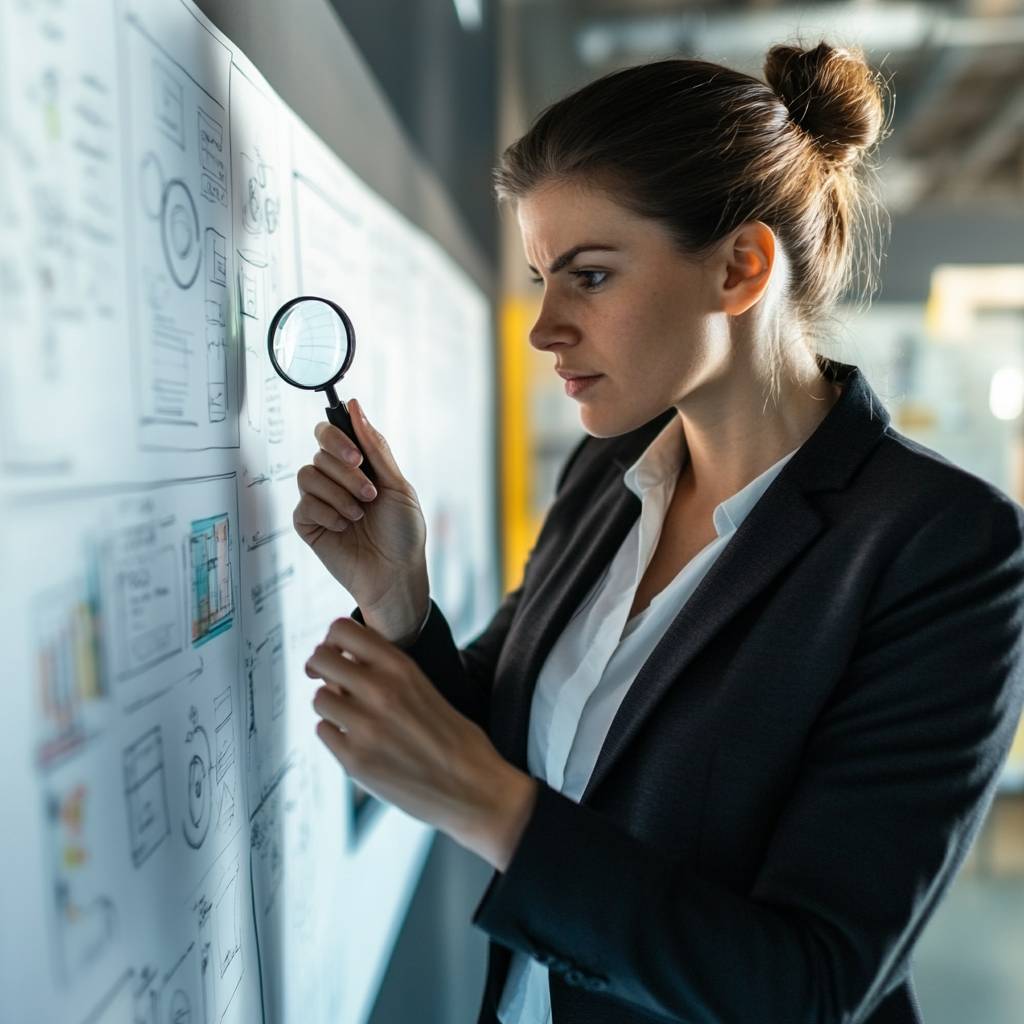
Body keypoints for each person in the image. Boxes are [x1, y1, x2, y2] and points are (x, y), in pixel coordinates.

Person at [294, 39, 1024, 1024]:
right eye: (542, 275)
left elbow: (810, 984)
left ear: (738, 267)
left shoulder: (941, 547)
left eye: (587, 276)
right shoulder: (606, 472)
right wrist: (400, 595)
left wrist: (495, 813)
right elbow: (504, 737)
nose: (543, 326)